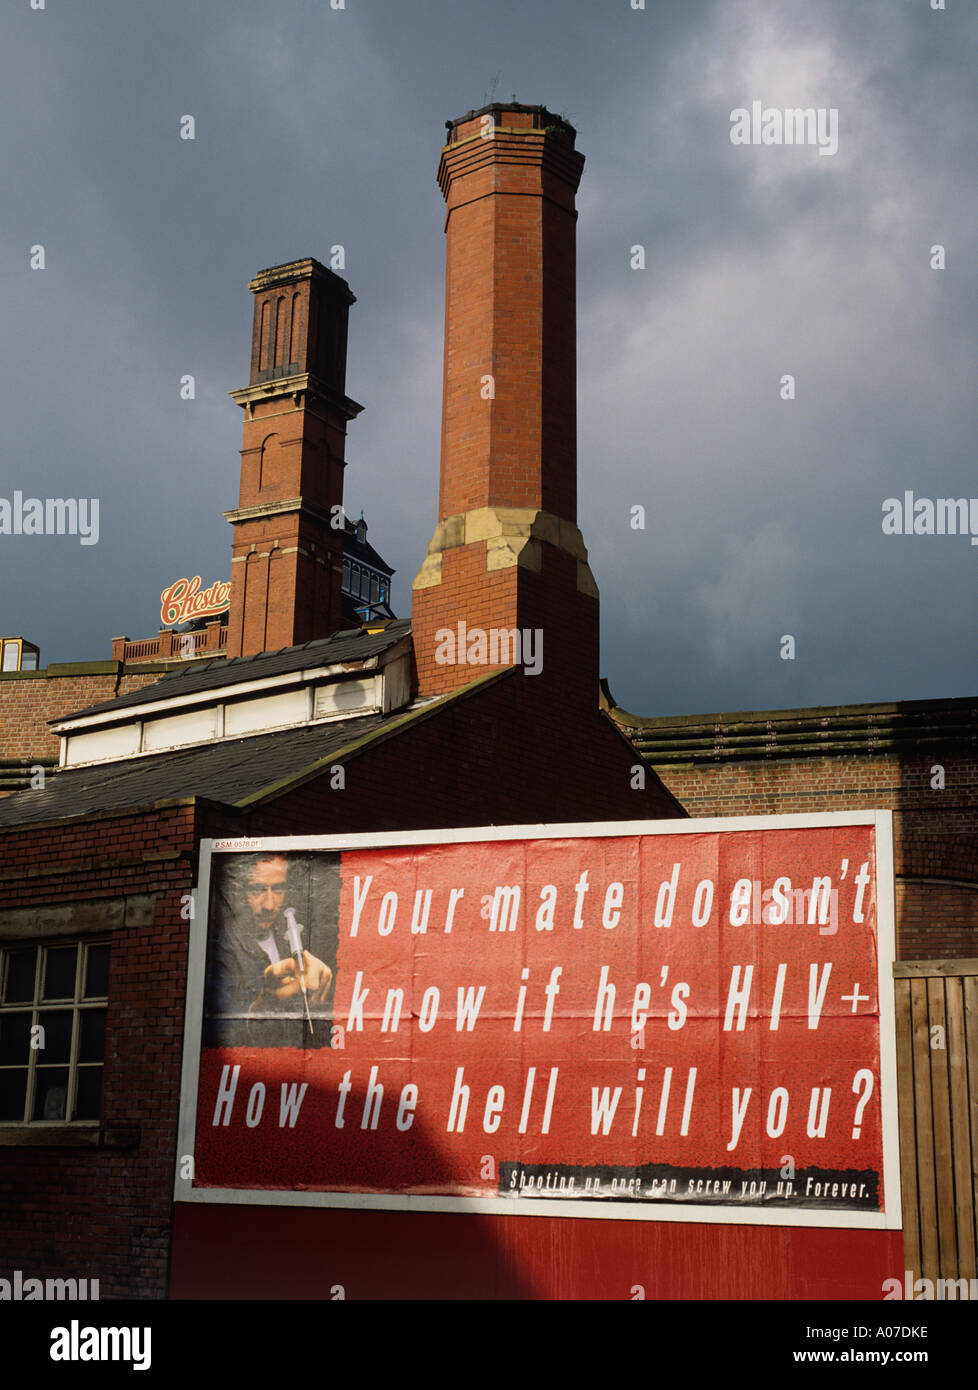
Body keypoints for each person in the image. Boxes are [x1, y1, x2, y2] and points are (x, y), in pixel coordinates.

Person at [203, 851, 337, 1047]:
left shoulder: (291, 943)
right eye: (257, 890)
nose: (269, 905)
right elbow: (221, 1037)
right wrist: (264, 1005)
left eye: (278, 889)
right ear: (238, 890)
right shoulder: (220, 951)